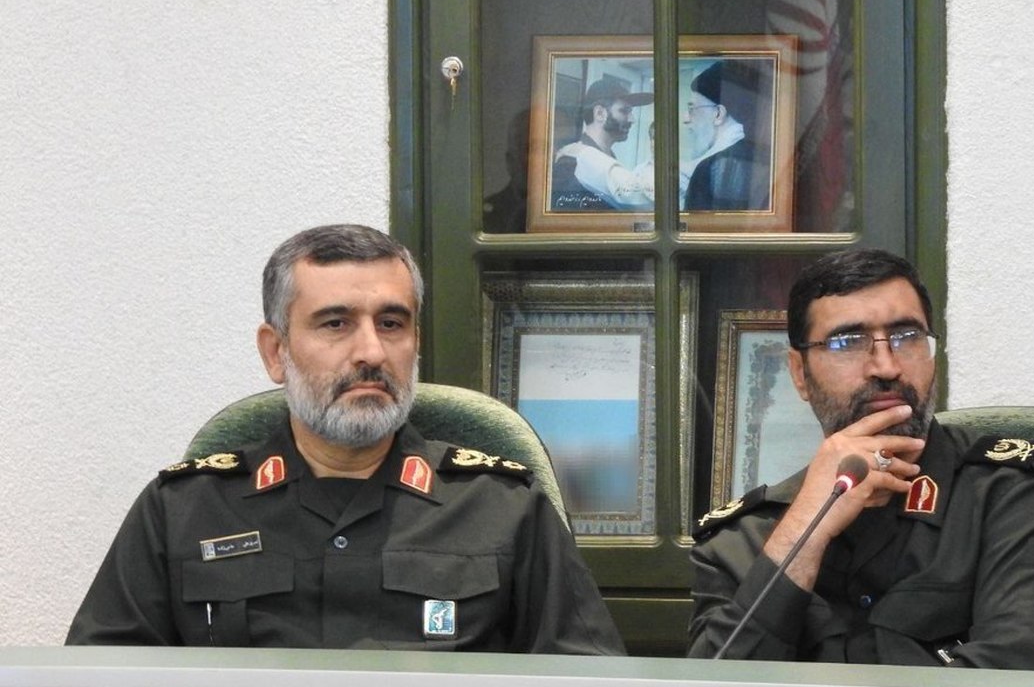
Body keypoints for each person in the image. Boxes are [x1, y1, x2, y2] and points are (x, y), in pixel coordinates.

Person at [67, 224, 626, 655]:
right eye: (335, 324)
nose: (371, 352)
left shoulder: (503, 508)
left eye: (392, 323)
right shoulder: (183, 511)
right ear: (275, 352)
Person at [688, 248, 1034, 669]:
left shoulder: (1012, 493)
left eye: (906, 336)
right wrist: (803, 532)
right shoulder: (741, 540)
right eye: (848, 342)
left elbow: (1021, 671)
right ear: (799, 374)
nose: (886, 367)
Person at [551, 75, 653, 211]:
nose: (632, 119)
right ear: (599, 113)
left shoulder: (603, 159)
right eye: (624, 111)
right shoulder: (570, 164)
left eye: (630, 112)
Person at [682, 59, 772, 212]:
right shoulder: (771, 157)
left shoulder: (707, 171)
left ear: (718, 114)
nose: (686, 118)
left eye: (692, 109)